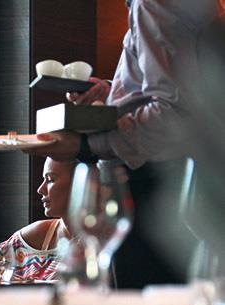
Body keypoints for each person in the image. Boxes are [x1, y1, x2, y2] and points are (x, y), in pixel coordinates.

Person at [26, 0, 224, 289]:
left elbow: (173, 115)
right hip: (182, 183)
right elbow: (182, 92)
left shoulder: (151, 4)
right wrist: (113, 94)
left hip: (153, 185)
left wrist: (85, 145)